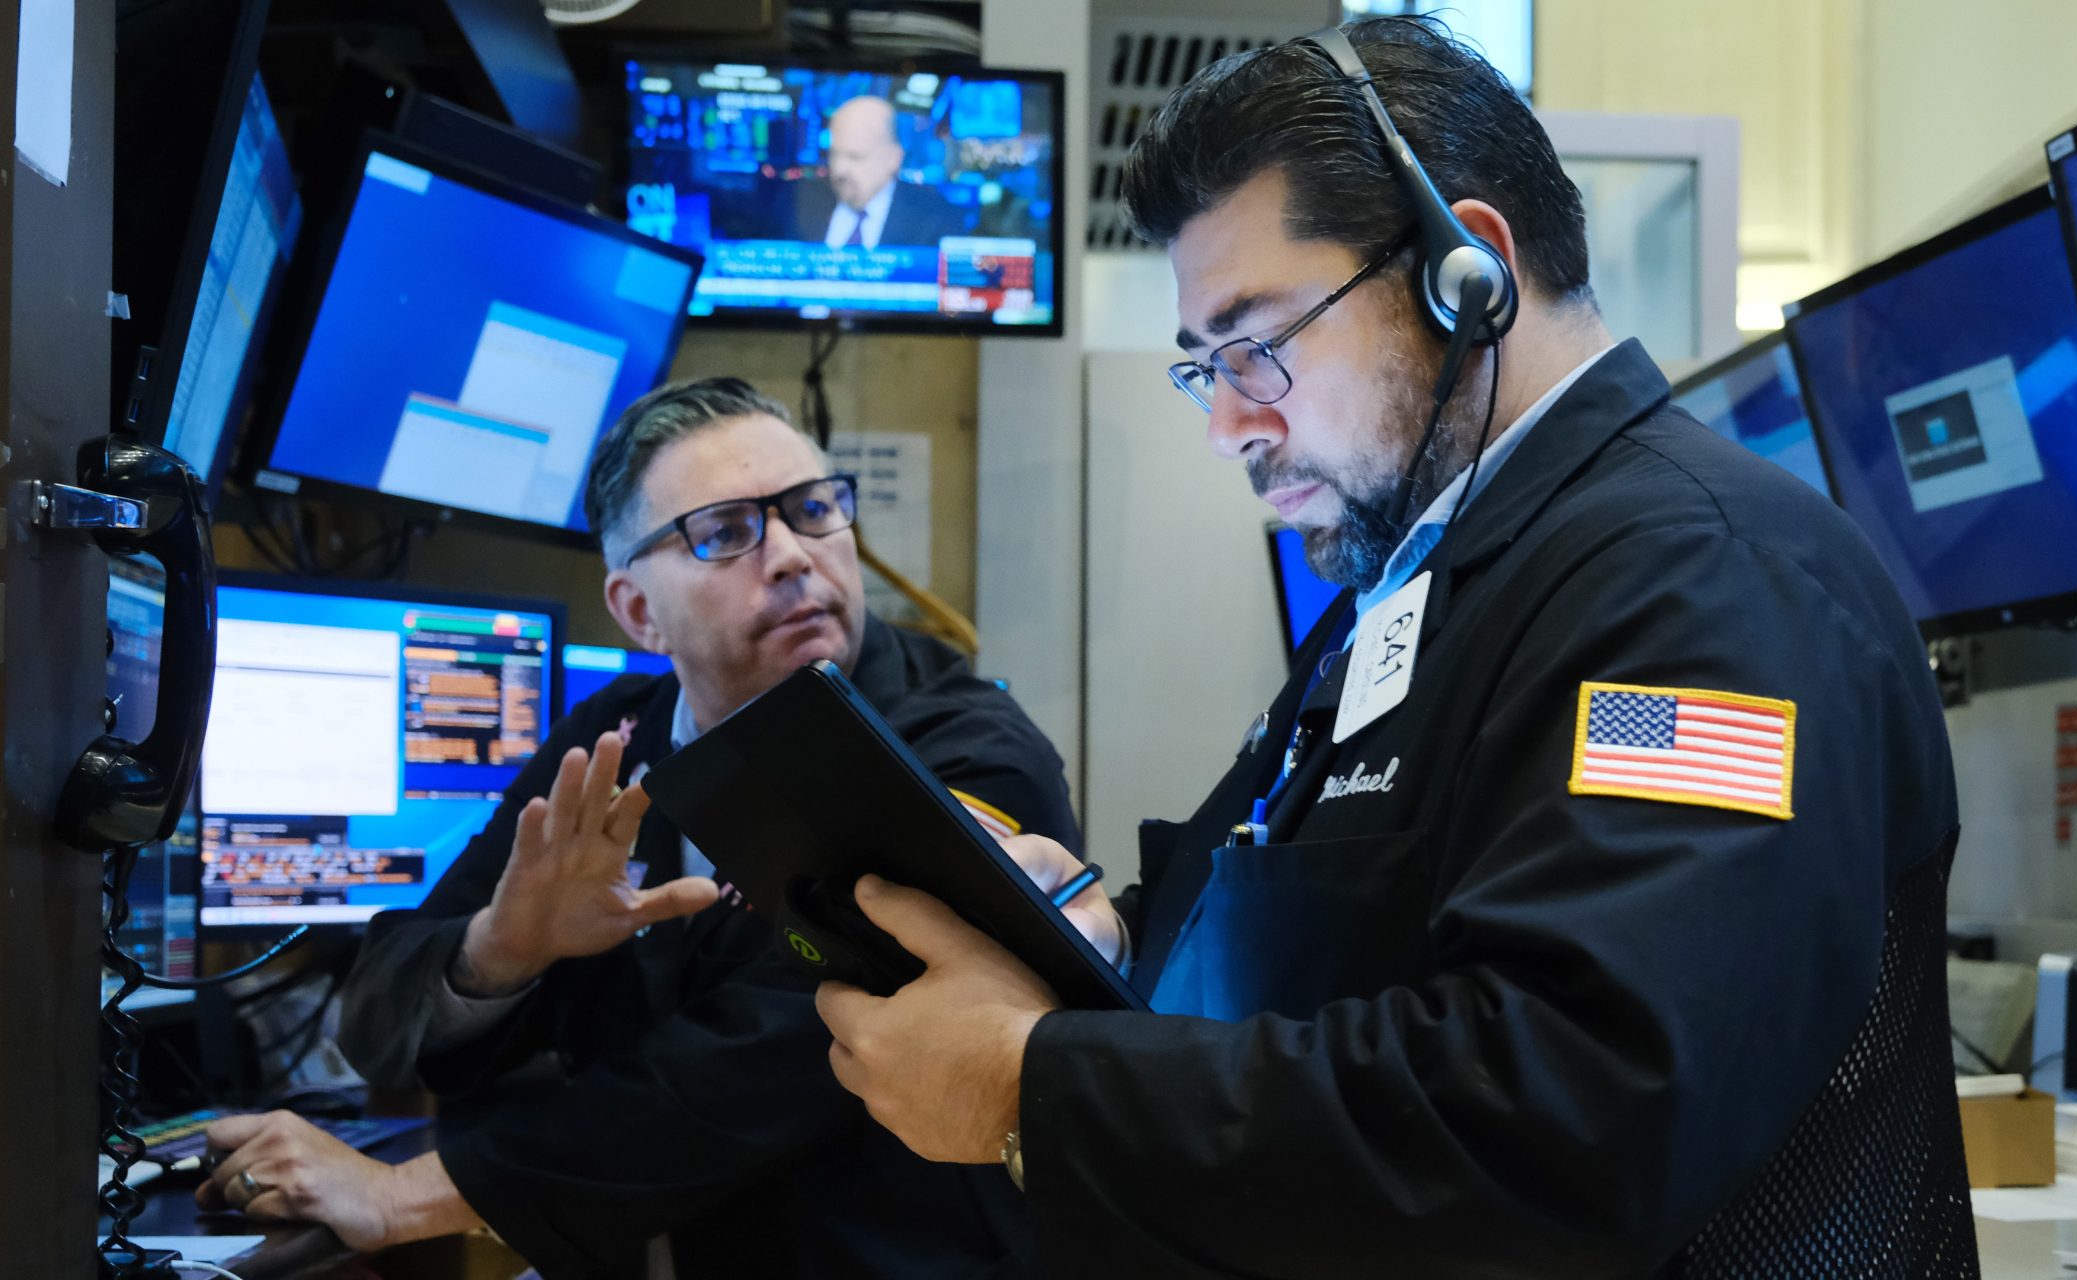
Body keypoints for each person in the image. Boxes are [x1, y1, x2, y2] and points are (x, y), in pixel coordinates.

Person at [811, 18, 1981, 1278]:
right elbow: (1340, 944)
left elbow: (1565, 1115)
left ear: (1465, 270)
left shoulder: (1706, 589)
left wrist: (1037, 1094)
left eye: (1254, 344)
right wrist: (1090, 936)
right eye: (1202, 366)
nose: (1227, 425)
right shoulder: (1429, 582)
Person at [197, 378, 1078, 1279]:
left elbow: (764, 1062)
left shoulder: (970, 758)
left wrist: (399, 1196)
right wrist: (500, 950)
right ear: (636, 611)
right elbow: (382, 1013)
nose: (792, 557)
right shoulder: (618, 736)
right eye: (726, 532)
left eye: (814, 510)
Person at [797, 95, 969, 250]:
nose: (840, 169)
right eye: (834, 154)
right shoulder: (796, 203)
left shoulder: (937, 218)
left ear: (893, 159)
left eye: (855, 157)